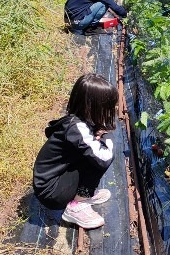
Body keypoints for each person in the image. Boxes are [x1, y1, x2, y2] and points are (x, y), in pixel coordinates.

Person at [33, 73, 119, 230]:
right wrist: (107, 138)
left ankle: (83, 193)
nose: (112, 110)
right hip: (51, 191)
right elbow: (104, 158)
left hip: (52, 181)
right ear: (94, 106)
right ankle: (78, 204)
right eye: (108, 107)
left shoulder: (75, 122)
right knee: (98, 156)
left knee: (91, 150)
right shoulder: (77, 128)